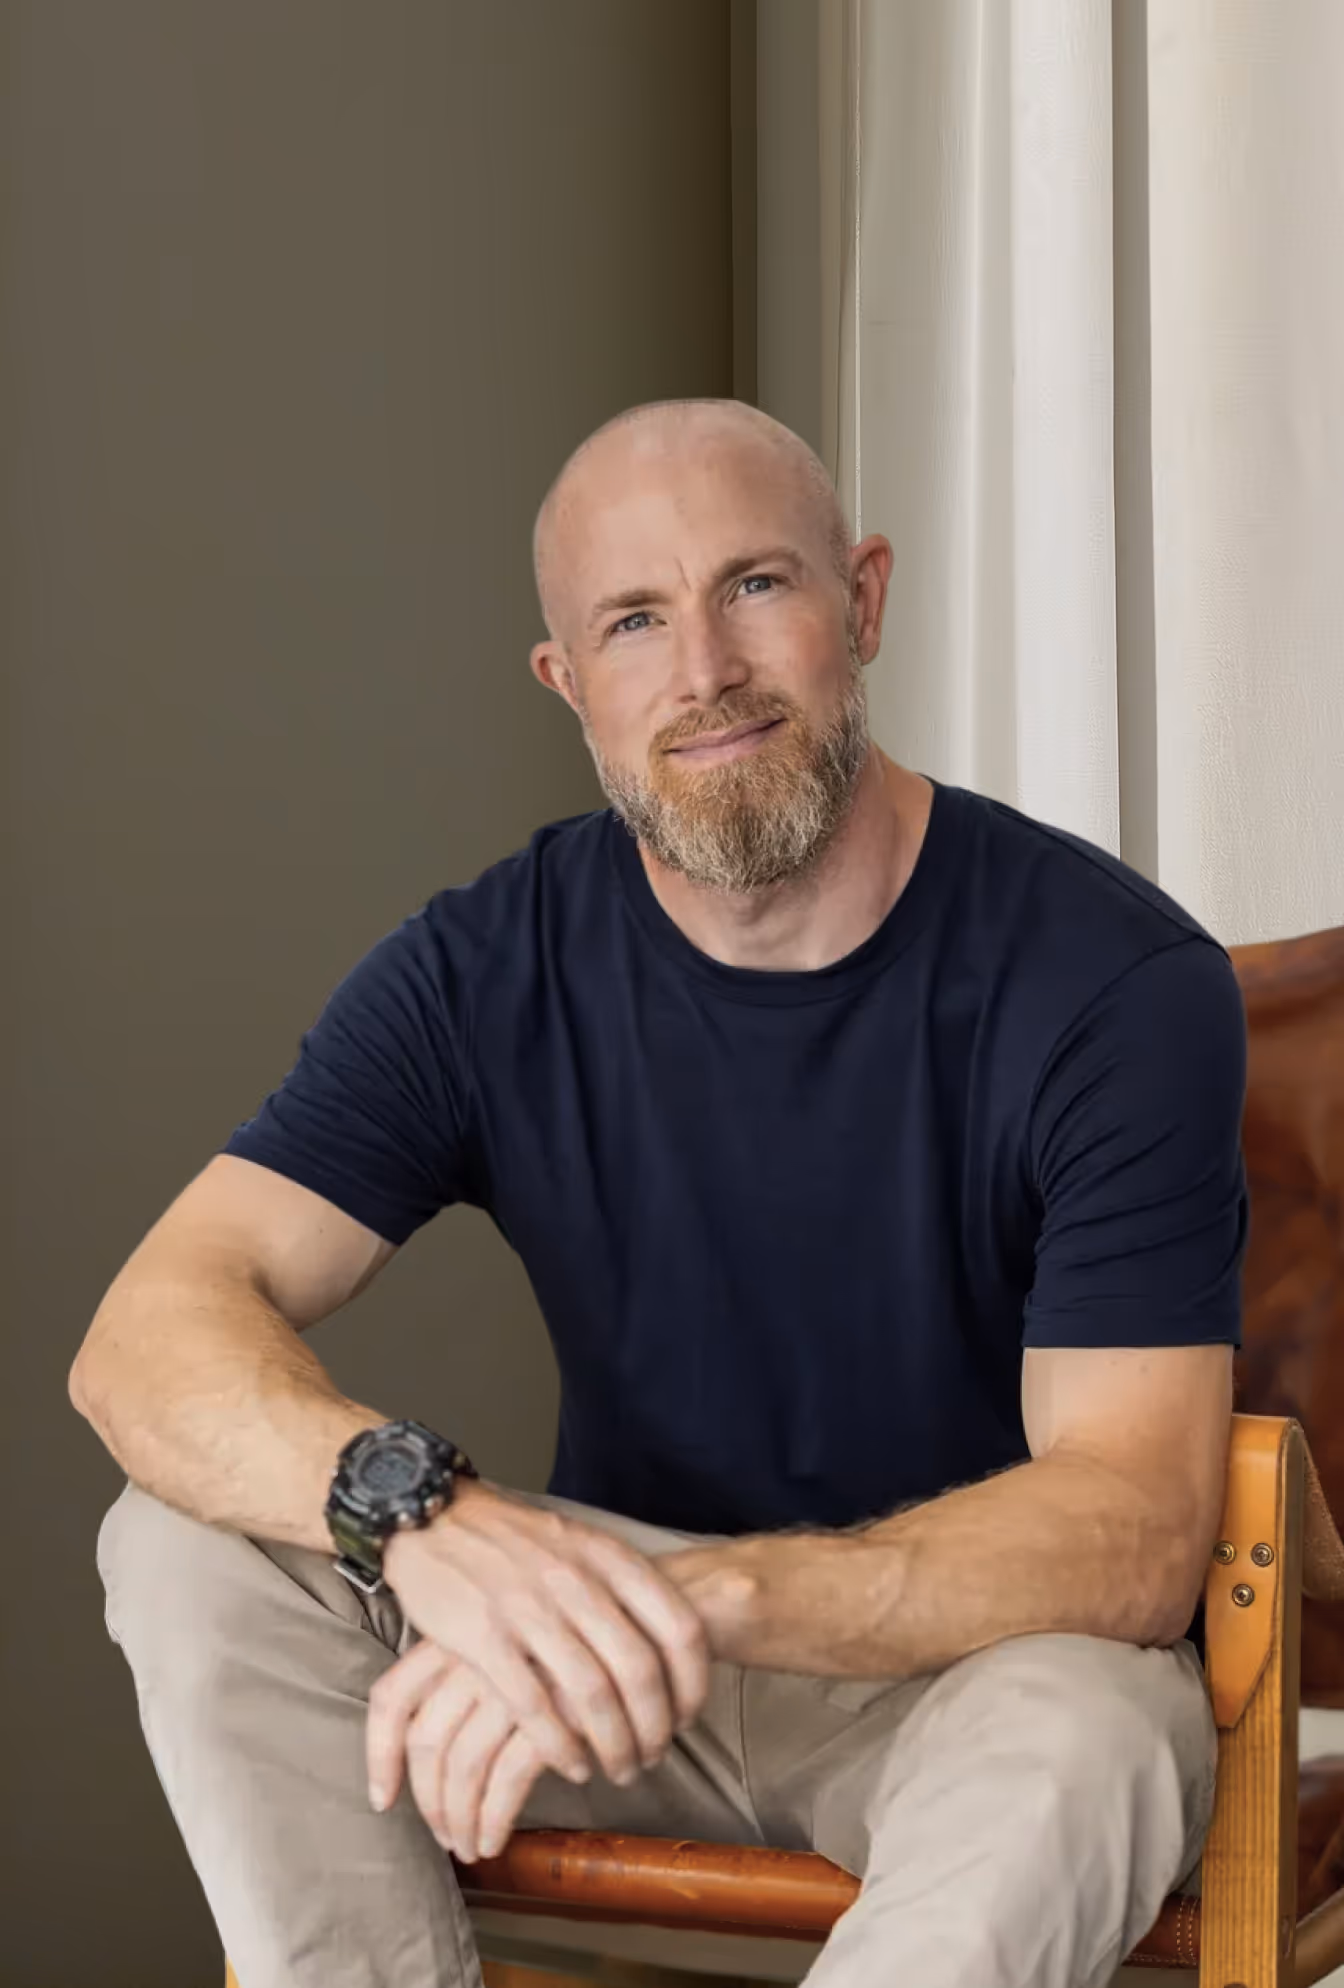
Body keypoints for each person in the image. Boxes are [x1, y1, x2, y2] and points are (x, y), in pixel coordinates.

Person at [72, 397, 1246, 1988]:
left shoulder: (1112, 979)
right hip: (602, 1687)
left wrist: (697, 1598)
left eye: (755, 584)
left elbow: (1137, 1526)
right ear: (570, 684)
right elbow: (145, 1338)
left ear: (865, 601)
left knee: (1101, 1726)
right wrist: (421, 1522)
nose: (705, 669)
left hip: (961, 1673)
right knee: (183, 1544)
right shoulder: (484, 965)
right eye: (634, 620)